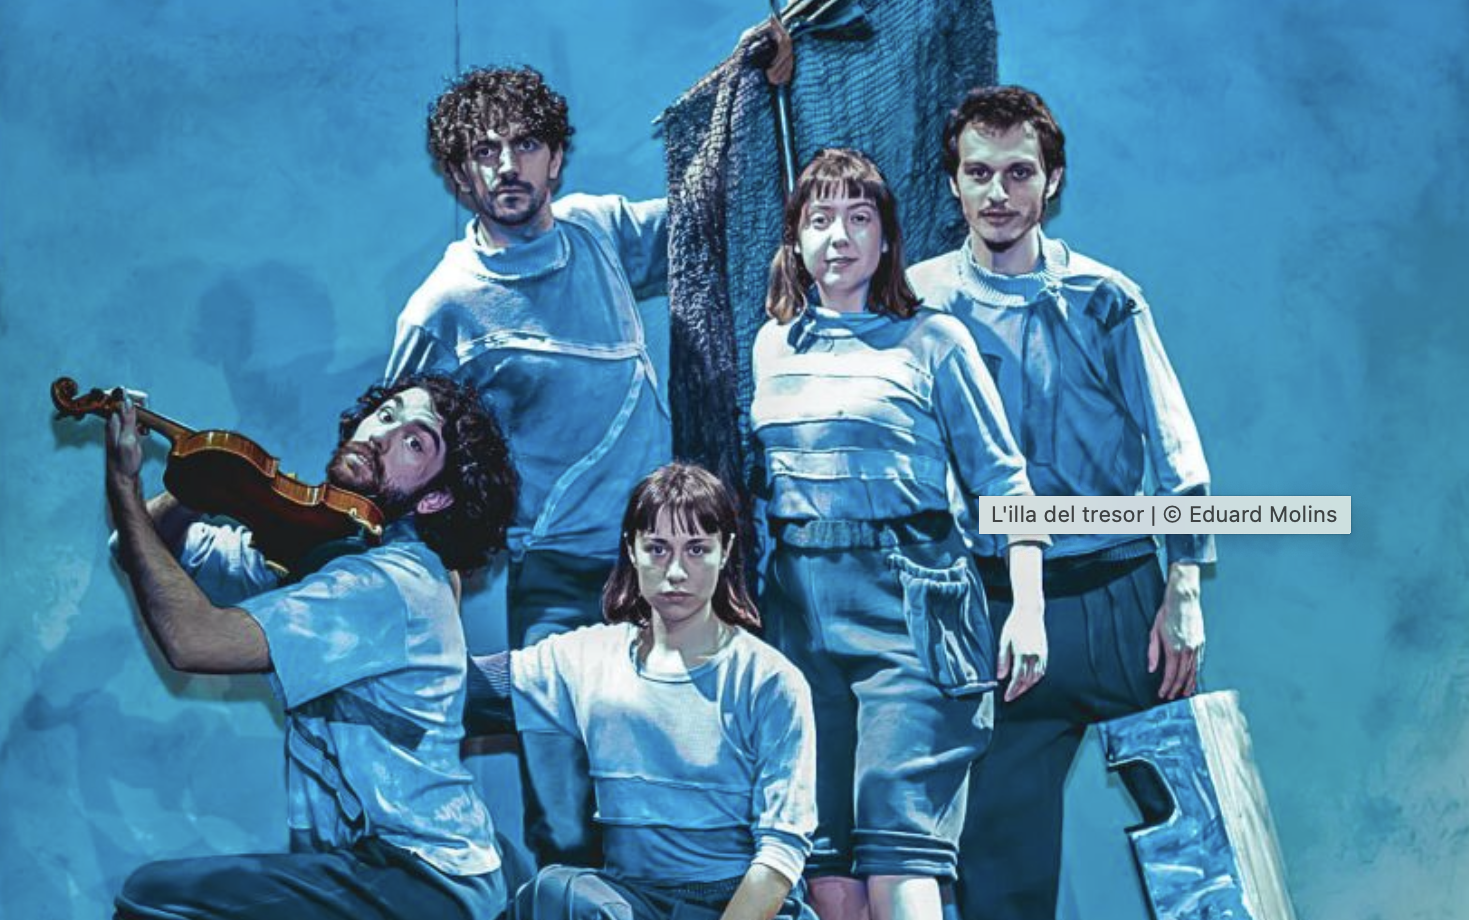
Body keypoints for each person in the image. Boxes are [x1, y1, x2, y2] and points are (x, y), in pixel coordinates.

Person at [907, 85, 1213, 920]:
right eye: (979, 173)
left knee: (1201, 846)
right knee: (996, 868)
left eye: (1018, 172)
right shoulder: (917, 304)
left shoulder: (1106, 299)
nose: (998, 193)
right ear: (953, 184)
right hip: (994, 611)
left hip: (1122, 604)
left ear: (1053, 181)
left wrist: (1184, 587)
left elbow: (1176, 452)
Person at [748, 148, 1047, 920]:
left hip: (913, 611)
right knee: (825, 861)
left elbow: (1005, 485)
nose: (839, 237)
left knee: (899, 849)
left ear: (885, 239)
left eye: (859, 218)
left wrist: (1029, 608)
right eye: (820, 219)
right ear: (795, 239)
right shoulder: (773, 346)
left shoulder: (933, 340)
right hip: (800, 617)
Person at [385, 65, 672, 867]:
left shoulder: (600, 232)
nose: (507, 166)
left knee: (668, 804)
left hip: (666, 572)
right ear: (457, 174)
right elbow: (390, 467)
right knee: (565, 820)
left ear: (557, 158)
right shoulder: (444, 307)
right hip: (556, 583)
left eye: (526, 145)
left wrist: (763, 86)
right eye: (485, 151)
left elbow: (723, 207)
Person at [106, 374, 519, 920]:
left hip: (427, 879)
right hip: (364, 864)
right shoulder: (325, 557)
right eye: (386, 415)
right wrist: (192, 491)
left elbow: (193, 641)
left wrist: (124, 488)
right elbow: (139, 550)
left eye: (415, 442)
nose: (382, 435)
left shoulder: (390, 585)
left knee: (149, 894)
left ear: (436, 496)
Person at [465, 463, 818, 920]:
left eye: (697, 549)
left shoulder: (770, 680)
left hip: (743, 905)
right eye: (657, 548)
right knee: (554, 891)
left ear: (726, 550)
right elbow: (453, 686)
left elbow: (780, 855)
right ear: (631, 549)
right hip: (630, 903)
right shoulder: (587, 657)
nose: (676, 571)